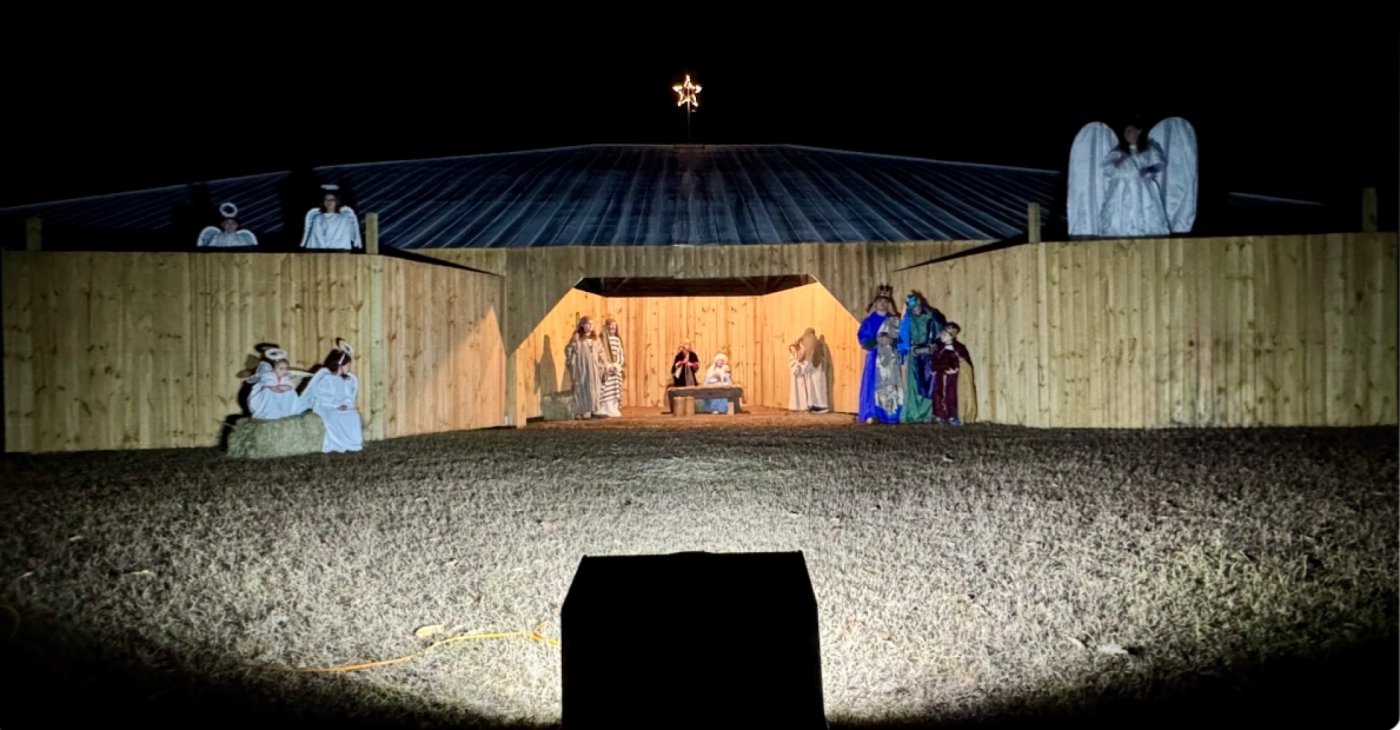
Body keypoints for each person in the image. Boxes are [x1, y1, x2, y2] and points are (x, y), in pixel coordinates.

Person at [300, 339, 363, 452]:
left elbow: (348, 397)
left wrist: (345, 405)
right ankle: (337, 443)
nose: (349, 368)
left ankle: (353, 444)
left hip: (340, 407)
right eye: (347, 365)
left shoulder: (346, 380)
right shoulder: (326, 378)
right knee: (335, 416)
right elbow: (322, 397)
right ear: (340, 365)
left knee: (353, 415)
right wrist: (336, 405)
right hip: (326, 407)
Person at [898, 291, 945, 424]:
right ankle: (912, 413)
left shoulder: (932, 316)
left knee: (929, 384)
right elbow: (903, 337)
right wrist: (905, 351)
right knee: (913, 385)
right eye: (912, 308)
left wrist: (935, 345)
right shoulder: (907, 320)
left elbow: (941, 330)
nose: (916, 310)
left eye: (917, 306)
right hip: (915, 355)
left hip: (929, 355)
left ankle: (927, 414)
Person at [857, 284, 901, 424]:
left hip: (890, 358)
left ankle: (889, 413)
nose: (882, 304)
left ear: (888, 303)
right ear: (875, 303)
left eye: (885, 301)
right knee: (872, 384)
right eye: (880, 301)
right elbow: (862, 338)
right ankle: (872, 413)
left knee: (890, 384)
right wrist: (877, 341)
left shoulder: (894, 321)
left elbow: (902, 338)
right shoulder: (869, 321)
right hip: (875, 357)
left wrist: (892, 341)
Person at [564, 316, 605, 419]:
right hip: (581, 367)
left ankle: (593, 410)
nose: (590, 326)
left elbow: (601, 352)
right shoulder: (577, 338)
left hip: (593, 368)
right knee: (581, 388)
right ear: (582, 325)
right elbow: (569, 350)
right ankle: (579, 411)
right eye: (587, 324)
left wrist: (603, 364)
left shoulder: (596, 339)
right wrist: (573, 343)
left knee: (593, 388)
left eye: (592, 324)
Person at [932, 322, 973, 426]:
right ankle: (941, 415)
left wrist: (957, 369)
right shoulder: (939, 348)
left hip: (953, 378)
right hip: (941, 376)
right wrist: (935, 368)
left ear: (951, 336)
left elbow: (964, 362)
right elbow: (935, 360)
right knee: (939, 395)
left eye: (944, 335)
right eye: (942, 334)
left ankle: (953, 416)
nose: (941, 336)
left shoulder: (959, 348)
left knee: (952, 395)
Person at [247, 347, 306, 419]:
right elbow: (271, 387)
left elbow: (289, 386)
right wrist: (279, 388)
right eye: (281, 369)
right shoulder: (267, 375)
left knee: (290, 392)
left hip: (278, 393)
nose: (284, 371)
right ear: (274, 369)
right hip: (266, 395)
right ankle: (268, 412)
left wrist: (287, 388)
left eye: (286, 369)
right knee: (268, 391)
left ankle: (288, 411)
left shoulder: (285, 377)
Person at [300, 184, 362, 250]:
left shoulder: (344, 218)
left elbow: (344, 238)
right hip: (321, 253)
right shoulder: (318, 218)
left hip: (339, 253)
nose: (329, 202)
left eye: (332, 200)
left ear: (336, 202)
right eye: (326, 200)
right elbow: (316, 238)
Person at [788, 328, 829, 412]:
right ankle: (814, 405)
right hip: (811, 368)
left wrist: (803, 365)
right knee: (815, 388)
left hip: (813, 368)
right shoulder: (814, 343)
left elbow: (810, 358)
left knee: (816, 388)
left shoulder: (813, 343)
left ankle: (818, 406)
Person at [597, 318, 625, 418]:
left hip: (615, 368)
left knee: (615, 389)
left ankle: (614, 408)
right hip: (606, 369)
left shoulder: (617, 340)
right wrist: (607, 366)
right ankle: (605, 409)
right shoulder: (602, 339)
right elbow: (600, 354)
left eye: (614, 326)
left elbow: (620, 354)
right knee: (605, 389)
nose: (612, 327)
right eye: (610, 326)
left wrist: (617, 365)